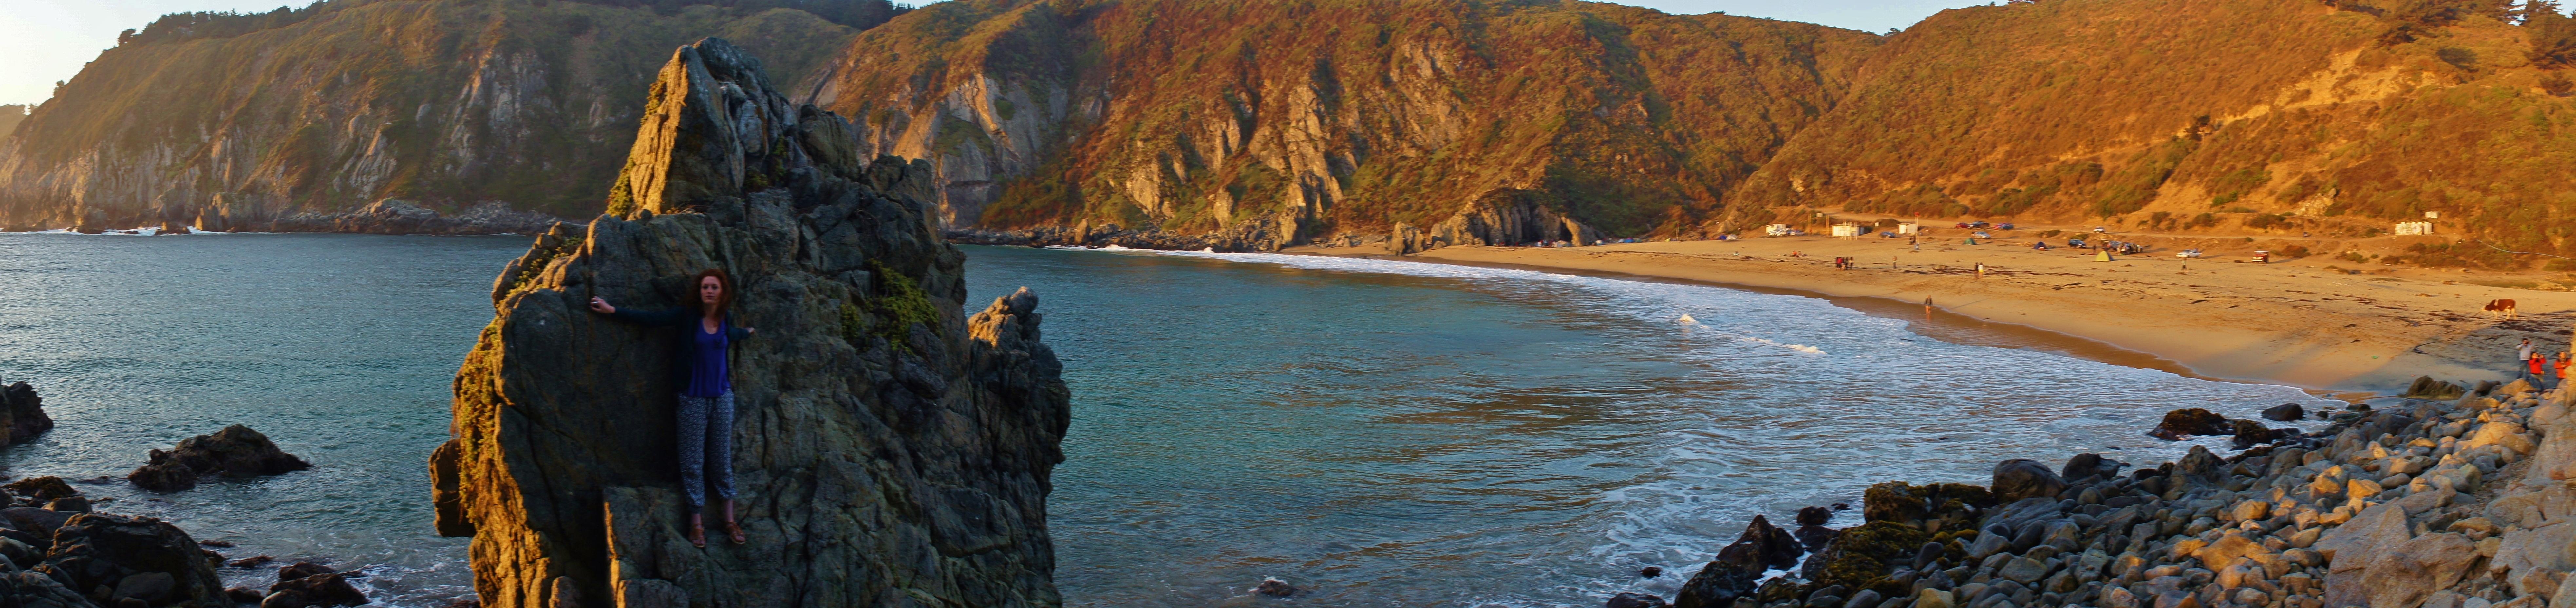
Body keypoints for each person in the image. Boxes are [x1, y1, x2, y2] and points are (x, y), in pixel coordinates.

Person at [589, 269, 757, 547]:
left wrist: (748, 333)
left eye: (714, 287)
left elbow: (732, 335)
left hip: (722, 398)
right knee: (692, 463)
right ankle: (697, 524)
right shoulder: (687, 317)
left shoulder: (725, 319)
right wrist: (612, 311)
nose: (709, 291)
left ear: (723, 292)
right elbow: (652, 319)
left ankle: (730, 521)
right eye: (705, 287)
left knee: (721, 461)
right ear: (699, 291)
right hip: (692, 398)